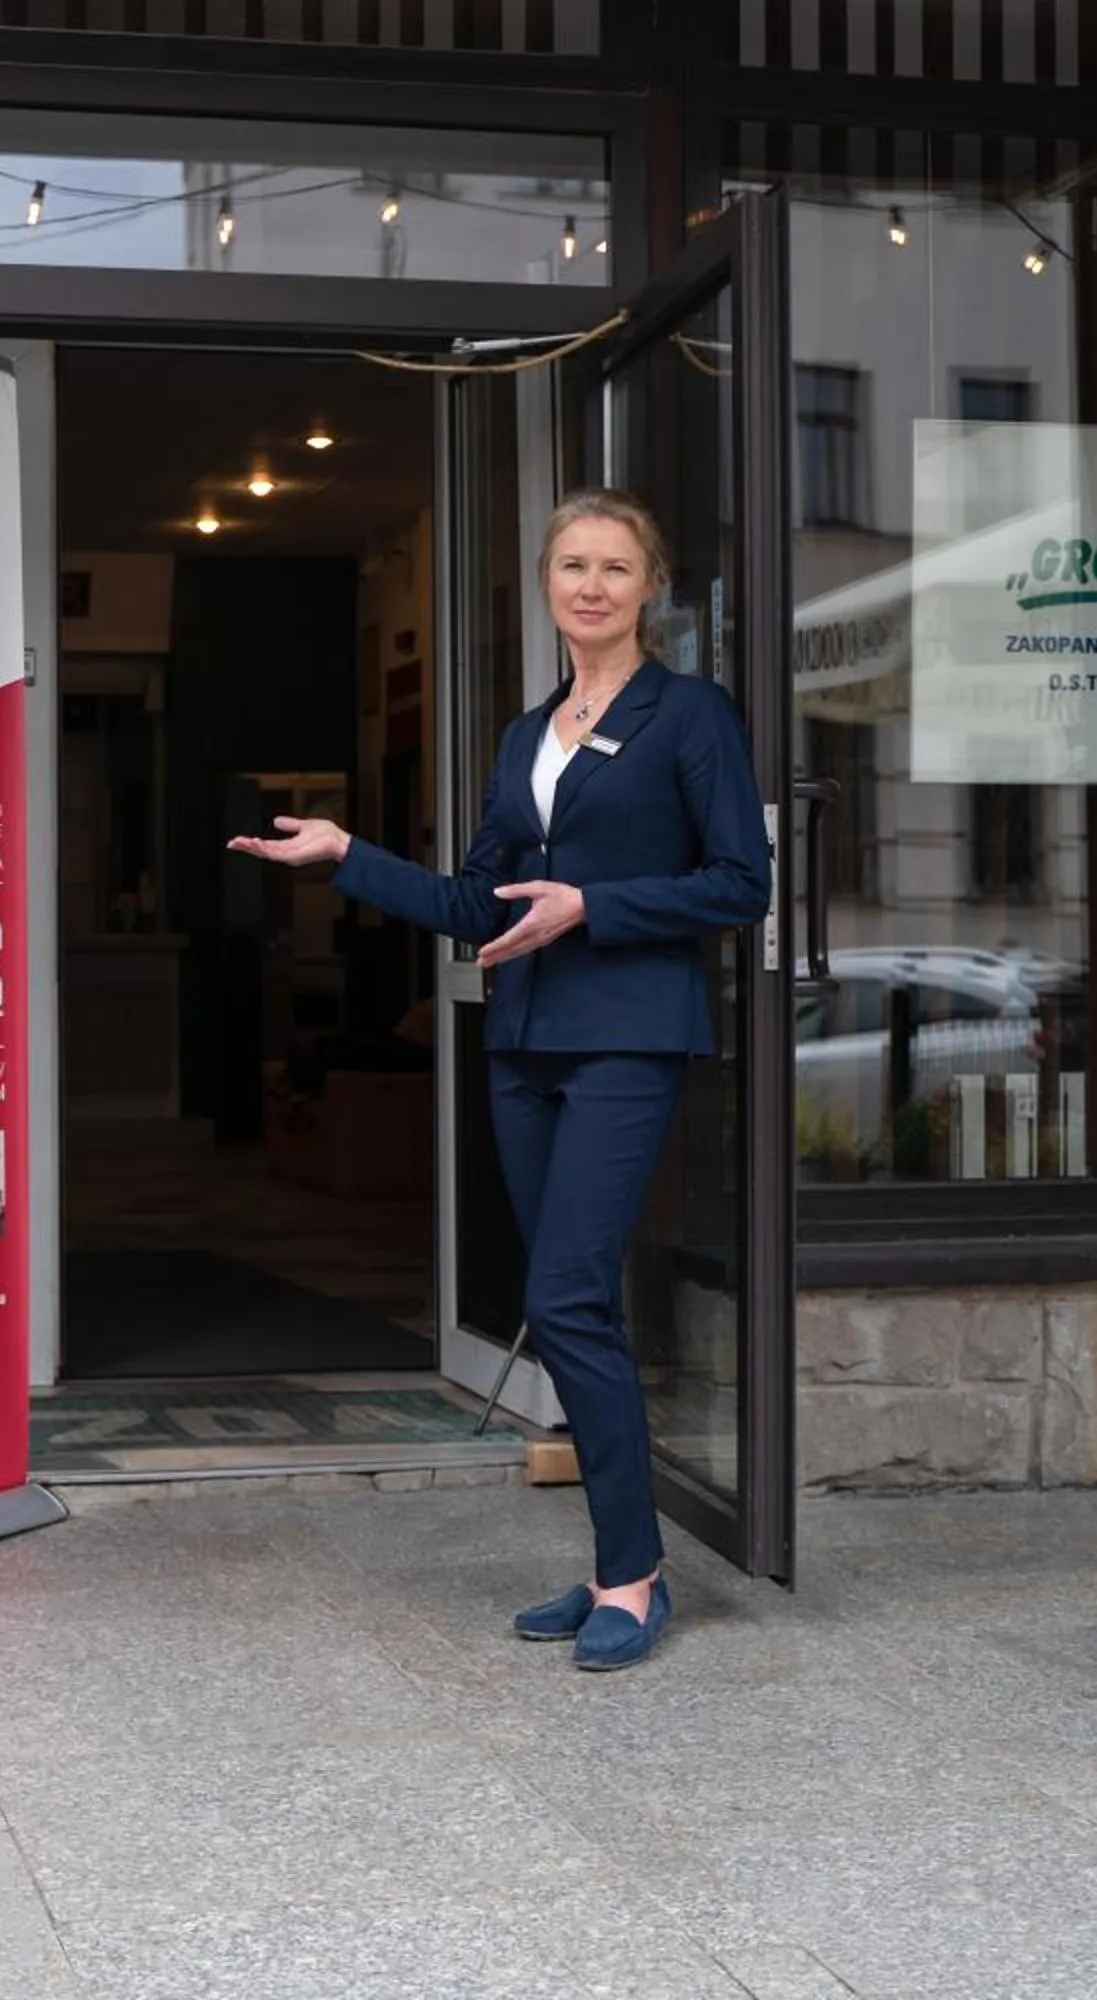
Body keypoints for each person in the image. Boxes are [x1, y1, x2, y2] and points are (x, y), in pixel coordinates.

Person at [229, 489, 769, 1673]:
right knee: (571, 1300)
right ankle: (624, 1557)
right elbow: (477, 903)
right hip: (522, 1041)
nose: (592, 585)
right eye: (572, 564)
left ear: (649, 585)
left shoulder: (689, 714)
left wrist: (594, 906)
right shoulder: (528, 736)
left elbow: (742, 882)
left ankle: (632, 1576)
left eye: (615, 566)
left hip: (627, 1037)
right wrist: (347, 855)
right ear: (547, 584)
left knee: (565, 1295)